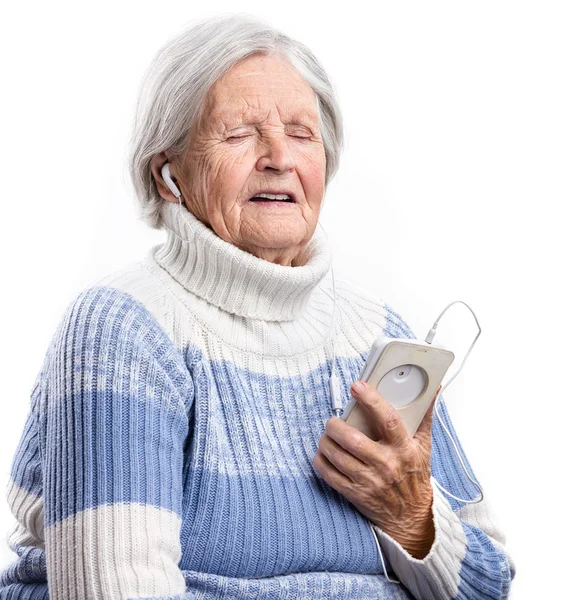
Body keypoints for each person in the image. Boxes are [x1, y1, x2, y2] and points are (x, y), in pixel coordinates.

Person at [0, 13, 515, 600]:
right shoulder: (123, 330)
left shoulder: (375, 333)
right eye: (241, 132)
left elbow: (488, 586)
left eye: (301, 133)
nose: (278, 156)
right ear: (168, 173)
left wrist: (414, 518)